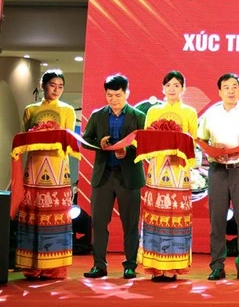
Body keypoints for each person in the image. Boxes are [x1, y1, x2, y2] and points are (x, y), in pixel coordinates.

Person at [197, 73, 239, 281]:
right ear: (219, 91)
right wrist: (212, 150)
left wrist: (237, 151)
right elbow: (202, 140)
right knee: (217, 220)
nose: (231, 91)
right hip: (218, 170)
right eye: (226, 87)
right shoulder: (211, 114)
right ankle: (217, 265)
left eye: (235, 87)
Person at [82, 74, 146, 279]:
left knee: (130, 224)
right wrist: (99, 143)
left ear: (126, 93)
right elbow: (85, 140)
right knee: (99, 223)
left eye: (117, 95)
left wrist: (128, 150)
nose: (113, 99)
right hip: (103, 175)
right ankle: (99, 265)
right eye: (109, 95)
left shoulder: (138, 116)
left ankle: (130, 265)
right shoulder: (98, 115)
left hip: (129, 176)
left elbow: (145, 143)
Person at [16, 69, 77, 280]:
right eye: (52, 85)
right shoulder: (30, 110)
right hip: (34, 167)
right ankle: (32, 265)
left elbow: (70, 141)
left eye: (60, 86)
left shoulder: (68, 110)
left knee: (56, 214)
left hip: (58, 169)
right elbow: (25, 139)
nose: (56, 90)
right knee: (33, 214)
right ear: (43, 85)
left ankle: (54, 267)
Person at [140, 71, 199, 282]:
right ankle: (156, 266)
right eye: (169, 85)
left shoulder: (190, 112)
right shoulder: (154, 111)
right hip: (157, 169)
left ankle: (174, 266)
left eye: (177, 85)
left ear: (183, 88)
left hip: (179, 170)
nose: (172, 88)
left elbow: (193, 141)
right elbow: (147, 138)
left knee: (176, 215)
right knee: (156, 214)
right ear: (163, 88)